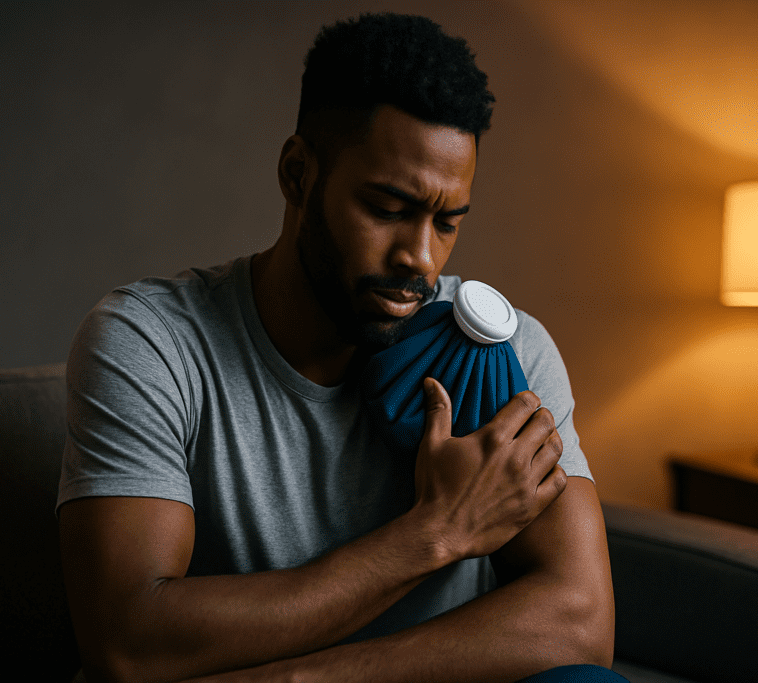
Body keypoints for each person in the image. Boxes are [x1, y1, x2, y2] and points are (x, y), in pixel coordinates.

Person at [58, 13, 620, 683]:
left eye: (446, 222)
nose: (420, 256)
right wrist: (435, 532)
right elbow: (128, 640)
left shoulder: (508, 348)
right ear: (298, 174)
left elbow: (581, 623)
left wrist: (311, 677)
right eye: (387, 207)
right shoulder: (151, 341)